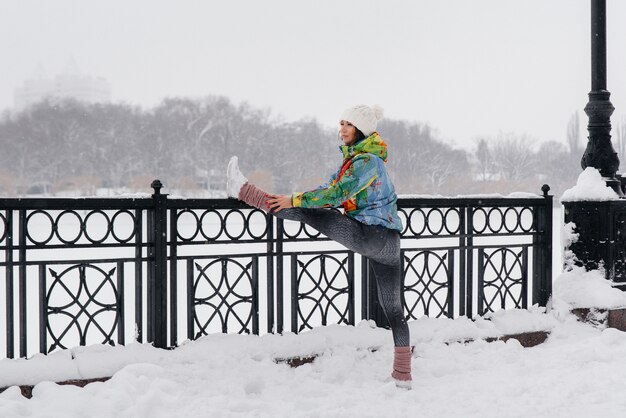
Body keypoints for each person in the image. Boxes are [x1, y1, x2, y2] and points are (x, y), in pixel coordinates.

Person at [226, 104, 412, 388]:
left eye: (348, 124)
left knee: (316, 214)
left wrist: (294, 200)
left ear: (361, 129)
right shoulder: (355, 162)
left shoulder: (368, 162)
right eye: (341, 123)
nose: (342, 129)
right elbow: (328, 189)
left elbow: (335, 195)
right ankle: (403, 376)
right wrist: (299, 197)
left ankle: (245, 191)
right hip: (387, 244)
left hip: (374, 236)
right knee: (394, 311)